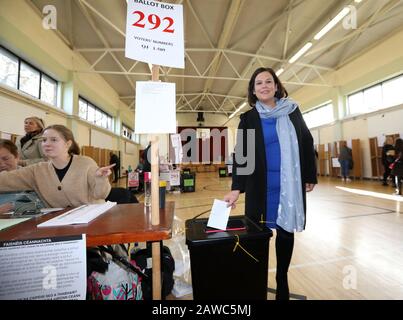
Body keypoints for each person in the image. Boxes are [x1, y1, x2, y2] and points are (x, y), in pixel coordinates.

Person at [223, 67, 317, 300]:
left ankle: (281, 280)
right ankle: (257, 280)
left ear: (276, 86)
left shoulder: (292, 111)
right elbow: (242, 154)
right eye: (258, 83)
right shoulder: (248, 118)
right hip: (260, 187)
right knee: (258, 234)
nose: (264, 86)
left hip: (289, 185)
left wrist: (309, 176)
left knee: (285, 233)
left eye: (268, 81)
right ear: (253, 91)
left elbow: (306, 141)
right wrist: (236, 189)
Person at [0, 125, 114, 208]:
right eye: (44, 140)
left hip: (92, 219)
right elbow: (5, 180)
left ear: (68, 144)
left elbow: (101, 194)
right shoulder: (36, 170)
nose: (47, 144)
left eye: (54, 140)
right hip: (61, 226)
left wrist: (100, 179)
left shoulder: (86, 163)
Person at [0, 139, 20, 213]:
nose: (2, 164)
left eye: (6, 159)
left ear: (17, 157)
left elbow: (43, 202)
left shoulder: (31, 176)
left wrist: (14, 205)